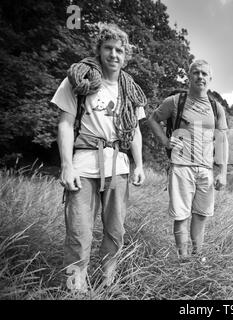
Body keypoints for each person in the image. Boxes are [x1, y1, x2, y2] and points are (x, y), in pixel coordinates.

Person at [51, 23, 147, 292]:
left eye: (119, 50)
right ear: (99, 50)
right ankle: (75, 289)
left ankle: (108, 283)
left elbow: (135, 130)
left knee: (115, 232)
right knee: (78, 233)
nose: (114, 54)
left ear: (125, 54)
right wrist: (66, 165)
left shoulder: (130, 88)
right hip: (83, 166)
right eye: (108, 48)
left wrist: (139, 164)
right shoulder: (80, 80)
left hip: (118, 167)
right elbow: (65, 124)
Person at [148, 60, 228, 260]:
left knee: (201, 215)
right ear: (189, 76)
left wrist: (223, 172)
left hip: (206, 170)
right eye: (195, 73)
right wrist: (166, 142)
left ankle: (197, 257)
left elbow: (222, 140)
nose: (200, 77)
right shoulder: (175, 101)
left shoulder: (216, 107)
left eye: (204, 74)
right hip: (181, 167)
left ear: (210, 79)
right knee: (181, 216)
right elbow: (152, 120)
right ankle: (183, 260)